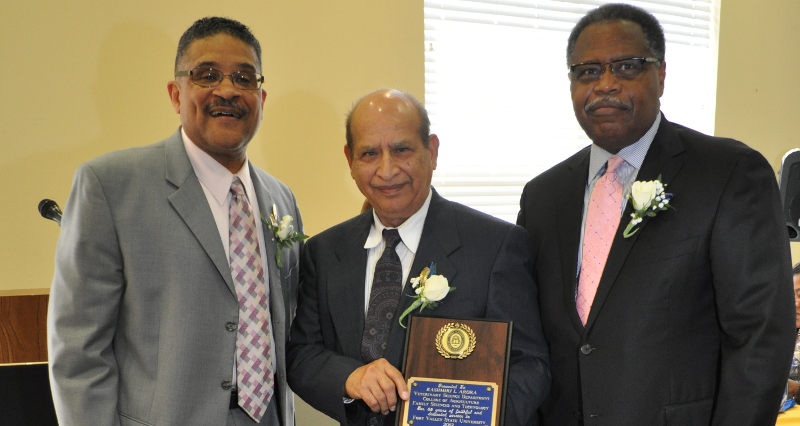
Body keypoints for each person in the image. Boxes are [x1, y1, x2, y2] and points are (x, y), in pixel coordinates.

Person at [516, 4, 795, 425]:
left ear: (661, 74)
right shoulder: (542, 195)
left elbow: (759, 336)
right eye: (587, 71)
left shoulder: (728, 173)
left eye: (627, 67)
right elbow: (535, 338)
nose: (605, 85)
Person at [48, 17, 302, 426]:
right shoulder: (110, 186)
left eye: (244, 77)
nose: (227, 90)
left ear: (261, 97)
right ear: (175, 93)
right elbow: (78, 352)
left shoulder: (281, 199)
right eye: (207, 75)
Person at [286, 89, 550, 426]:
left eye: (401, 149)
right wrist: (349, 377)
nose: (387, 170)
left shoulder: (496, 246)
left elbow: (530, 365)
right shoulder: (324, 251)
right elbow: (302, 355)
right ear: (350, 161)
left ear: (432, 150)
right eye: (369, 153)